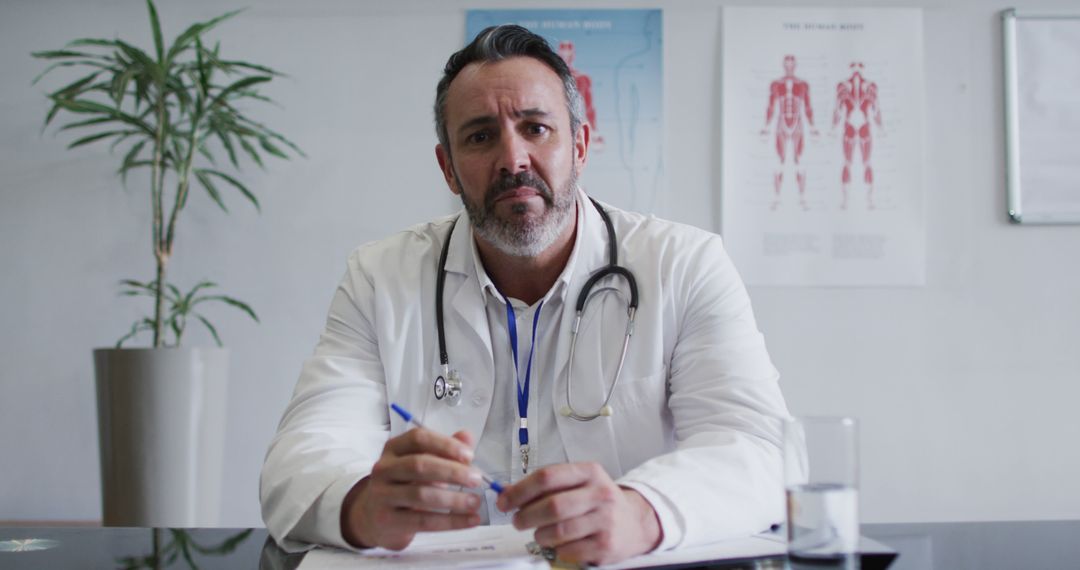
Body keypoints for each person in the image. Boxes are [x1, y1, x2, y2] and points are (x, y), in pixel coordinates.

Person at [261, 25, 792, 566]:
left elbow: (761, 450)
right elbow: (299, 458)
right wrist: (360, 505)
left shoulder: (683, 265)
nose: (513, 159)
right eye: (480, 136)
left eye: (536, 128)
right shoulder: (381, 277)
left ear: (580, 146)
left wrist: (642, 511)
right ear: (447, 168)